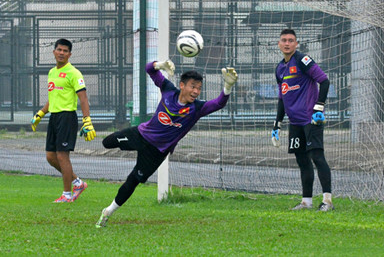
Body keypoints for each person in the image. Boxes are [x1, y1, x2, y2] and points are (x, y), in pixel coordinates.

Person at [95, 60, 238, 228]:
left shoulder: (197, 108)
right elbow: (149, 69)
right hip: (141, 135)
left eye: (199, 88)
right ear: (182, 85)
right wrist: (160, 65)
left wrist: (227, 87)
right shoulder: (169, 90)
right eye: (193, 86)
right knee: (107, 142)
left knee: (133, 180)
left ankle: (108, 212)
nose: (196, 91)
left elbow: (218, 103)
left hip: (157, 151)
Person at [271, 29, 334, 211]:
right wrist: (277, 124)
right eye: (284, 40)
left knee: (317, 156)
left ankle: (327, 201)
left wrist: (319, 107)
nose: (287, 43)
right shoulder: (279, 69)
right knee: (302, 160)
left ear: (296, 44)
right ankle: (306, 202)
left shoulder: (302, 60)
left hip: (310, 119)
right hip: (295, 122)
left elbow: (324, 81)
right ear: (279, 44)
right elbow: (282, 98)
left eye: (291, 40)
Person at [31, 38, 96, 203]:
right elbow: (52, 97)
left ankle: (67, 195)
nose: (61, 53)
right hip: (54, 117)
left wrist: (87, 120)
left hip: (67, 117)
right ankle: (77, 183)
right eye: (59, 50)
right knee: (50, 157)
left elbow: (83, 98)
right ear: (54, 52)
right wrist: (40, 113)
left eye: (65, 51)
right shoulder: (52, 72)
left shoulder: (74, 73)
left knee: (62, 156)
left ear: (69, 54)